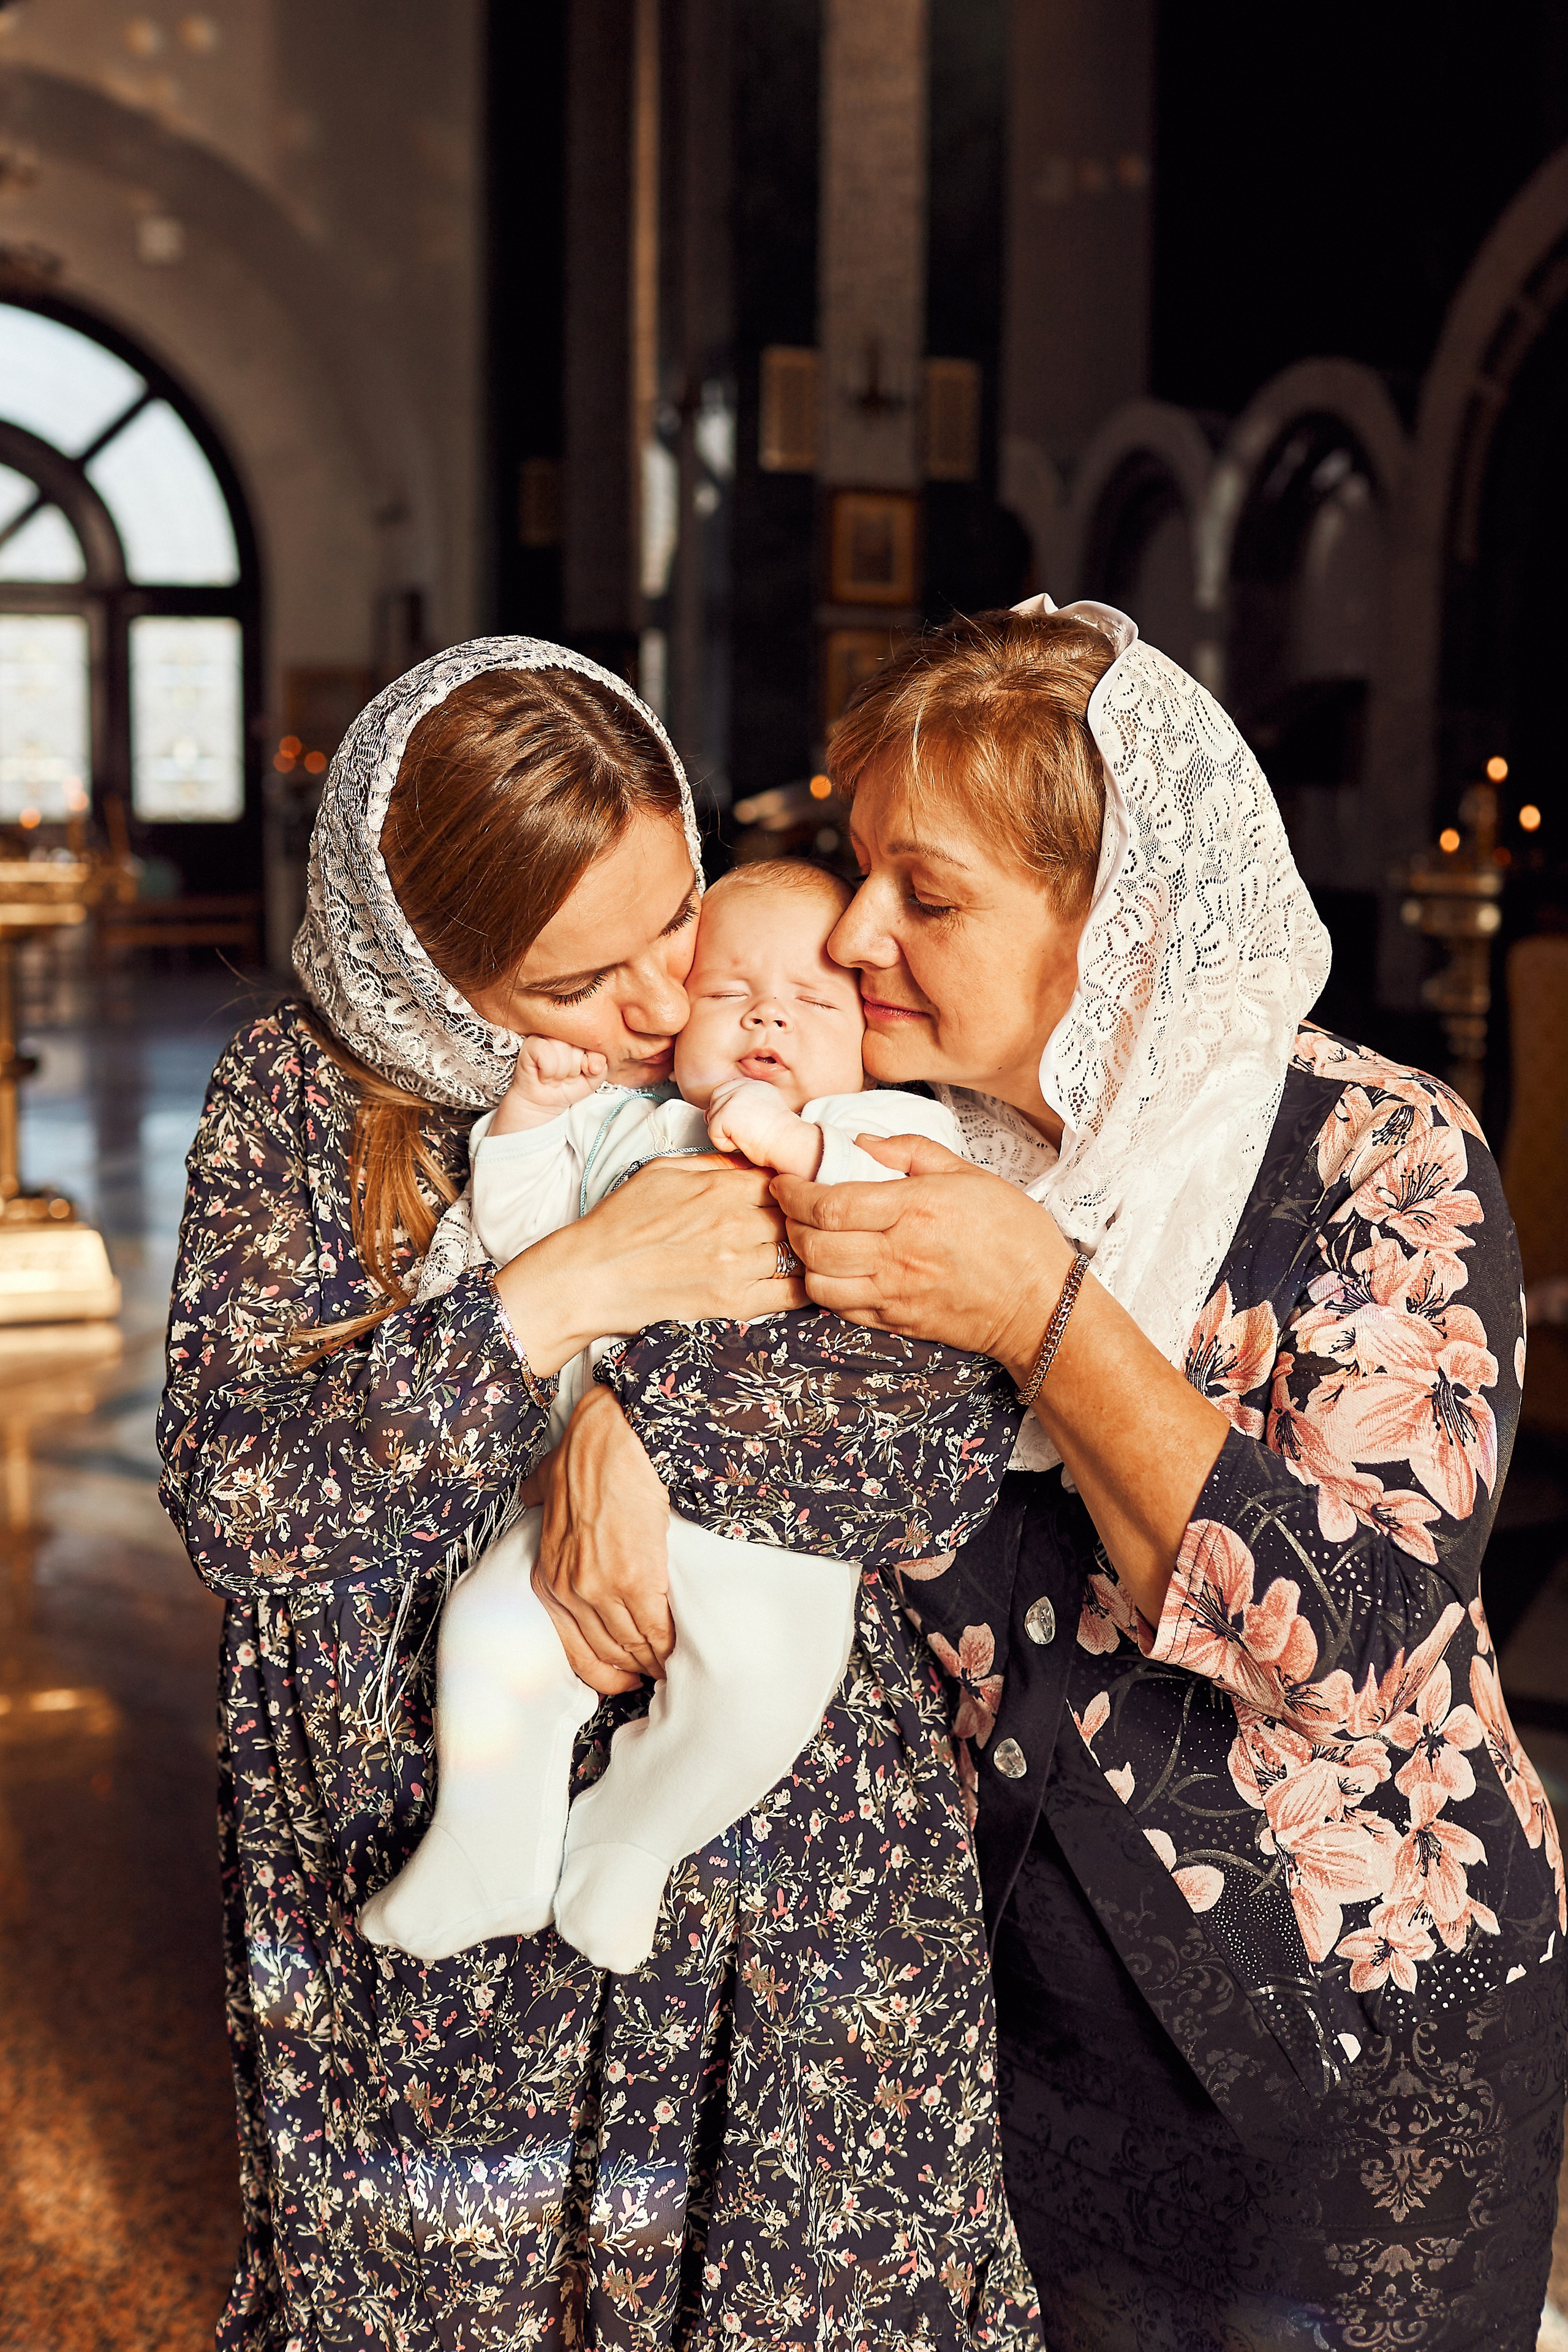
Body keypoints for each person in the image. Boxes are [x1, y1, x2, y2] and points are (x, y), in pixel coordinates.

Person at [541, 601, 1564, 2352]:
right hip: (998, 2054)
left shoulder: (1371, 1151)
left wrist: (1043, 1308)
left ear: (1122, 923)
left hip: (1336, 2040)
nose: (855, 933)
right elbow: (727, 1398)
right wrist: (615, 1427)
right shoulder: (890, 1137)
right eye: (858, 870)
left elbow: (1359, 1642)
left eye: (925, 896)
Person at [157, 638, 1042, 2350]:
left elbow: (928, 1436)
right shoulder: (302, 1096)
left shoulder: (796, 1058)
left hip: (768, 1867)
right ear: (427, 963)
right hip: (417, 1861)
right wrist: (555, 1294)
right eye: (578, 982)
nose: (661, 1005)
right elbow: (242, 1497)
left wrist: (626, 1427)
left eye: (673, 916)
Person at [359, 856, 1017, 1977]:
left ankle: (632, 1838)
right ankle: (490, 1844)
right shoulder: (629, 1125)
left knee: (764, 1684)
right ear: (674, 1020)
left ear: (868, 1036)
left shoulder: (884, 1122)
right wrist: (528, 1123)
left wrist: (797, 1140)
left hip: (769, 1529)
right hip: (567, 1487)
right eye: (728, 993)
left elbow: (906, 1217)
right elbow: (522, 1239)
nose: (768, 1014)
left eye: (814, 1002)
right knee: (489, 1625)